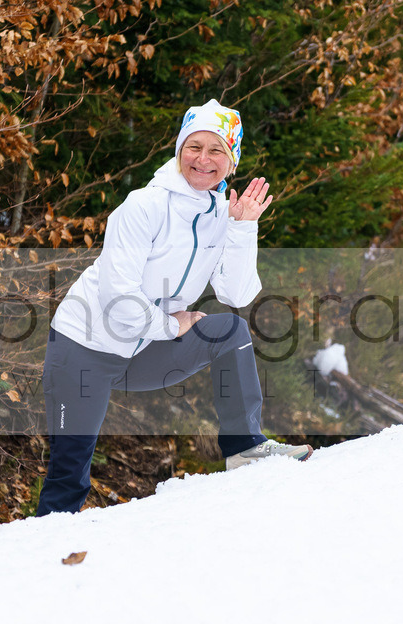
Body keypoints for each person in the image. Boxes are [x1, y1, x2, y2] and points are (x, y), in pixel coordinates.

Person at [36, 99, 313, 516]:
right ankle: (43, 558)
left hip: (141, 352)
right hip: (83, 350)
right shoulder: (143, 207)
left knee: (230, 332)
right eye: (194, 146)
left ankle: (245, 448)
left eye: (217, 149)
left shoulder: (222, 214)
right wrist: (171, 325)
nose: (203, 159)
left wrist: (242, 228)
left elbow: (236, 294)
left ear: (232, 161)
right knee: (69, 475)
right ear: (179, 150)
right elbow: (118, 297)